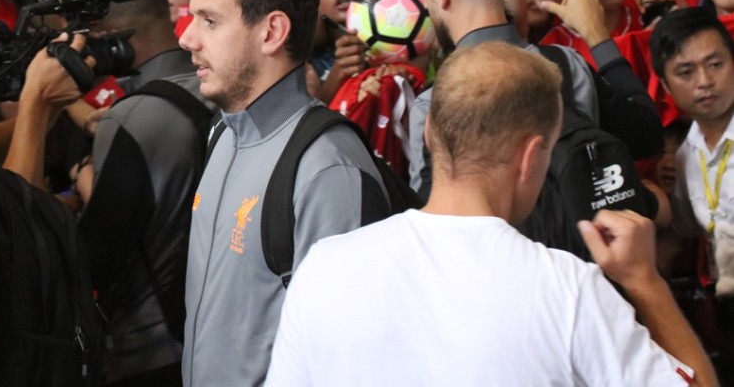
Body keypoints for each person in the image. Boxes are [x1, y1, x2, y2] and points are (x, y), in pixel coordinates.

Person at [265, 41, 717, 387]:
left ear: (428, 130)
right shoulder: (568, 289)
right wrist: (646, 283)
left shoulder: (326, 265)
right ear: (532, 156)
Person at [177, 0, 392, 387]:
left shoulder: (328, 169)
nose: (186, 38)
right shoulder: (223, 133)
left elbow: (347, 361)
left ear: (272, 32)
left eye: (209, 21)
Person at [407, 0, 663, 202]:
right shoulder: (567, 64)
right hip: (576, 242)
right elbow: (647, 136)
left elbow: (429, 210)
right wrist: (596, 34)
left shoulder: (434, 102)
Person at [73, 0, 214, 386]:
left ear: (115, 38)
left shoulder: (132, 116)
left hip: (149, 348)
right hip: (219, 334)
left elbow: (99, 260)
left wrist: (86, 185)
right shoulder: (224, 92)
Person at [651, 8, 734, 382]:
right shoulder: (686, 155)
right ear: (666, 87)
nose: (705, 81)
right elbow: (682, 233)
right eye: (686, 72)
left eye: (715, 64)